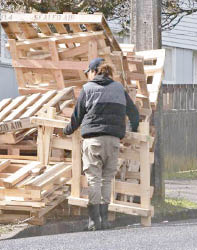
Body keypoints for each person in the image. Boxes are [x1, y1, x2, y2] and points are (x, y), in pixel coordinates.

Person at [63, 58, 139, 231]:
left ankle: (93, 221)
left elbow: (77, 117)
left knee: (94, 179)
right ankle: (105, 221)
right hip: (113, 141)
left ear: (94, 71)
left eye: (87, 72)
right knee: (107, 179)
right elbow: (134, 113)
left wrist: (66, 130)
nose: (87, 76)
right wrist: (131, 130)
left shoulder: (88, 88)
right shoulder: (119, 88)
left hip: (93, 140)